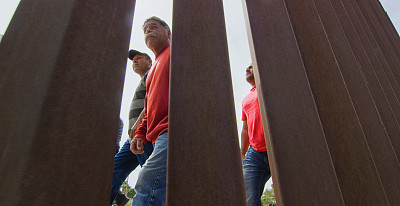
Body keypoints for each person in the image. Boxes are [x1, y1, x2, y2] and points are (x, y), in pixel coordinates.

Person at [130, 16, 171, 206]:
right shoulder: (153, 69)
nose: (148, 30)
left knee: (147, 181)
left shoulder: (176, 51)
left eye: (153, 27)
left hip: (171, 129)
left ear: (168, 33)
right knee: (162, 190)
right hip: (155, 137)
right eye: (145, 29)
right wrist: (140, 132)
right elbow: (148, 107)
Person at [109, 49, 154, 206]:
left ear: (150, 62)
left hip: (145, 133)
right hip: (132, 138)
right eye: (133, 59)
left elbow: (153, 100)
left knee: (151, 177)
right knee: (113, 171)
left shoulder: (152, 74)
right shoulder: (142, 80)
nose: (135, 61)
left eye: (139, 58)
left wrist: (140, 125)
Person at [241, 65, 271, 206]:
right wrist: (242, 152)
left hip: (277, 148)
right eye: (247, 67)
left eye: (252, 66)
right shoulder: (246, 99)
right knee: (248, 198)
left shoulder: (269, 87)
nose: (248, 68)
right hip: (255, 154)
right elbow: (245, 129)